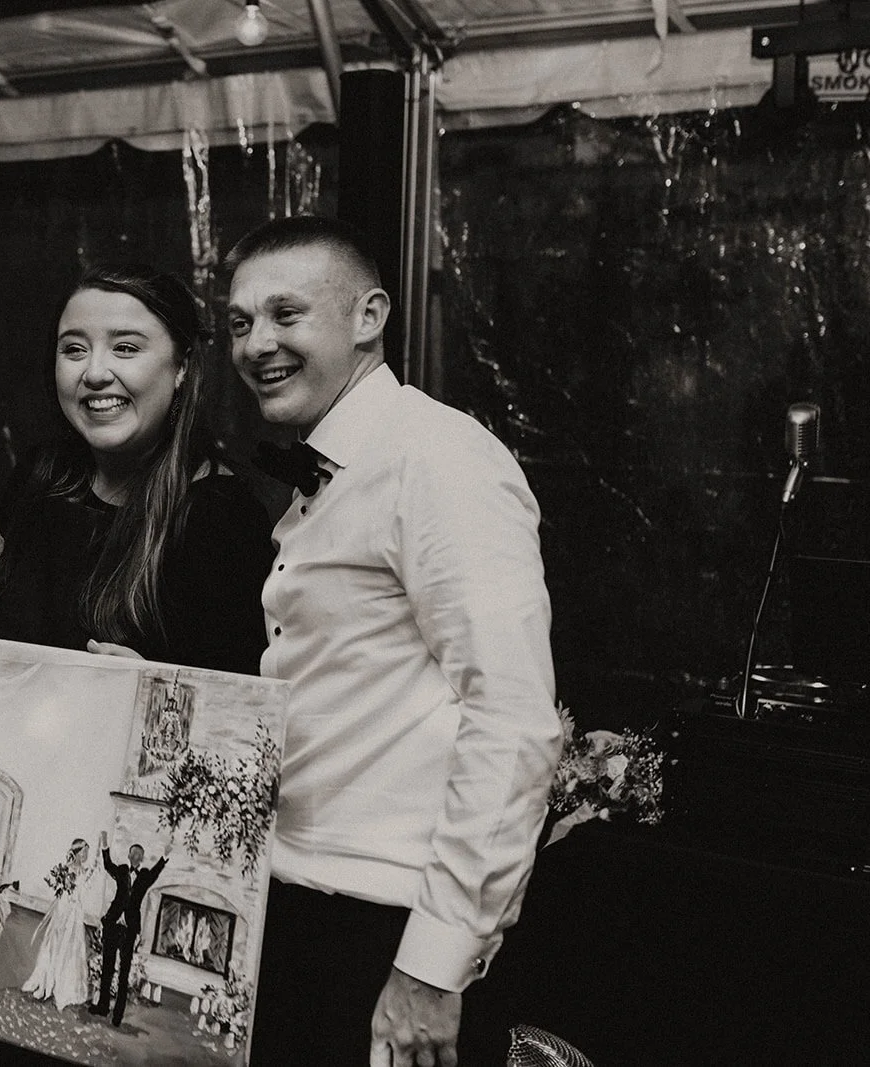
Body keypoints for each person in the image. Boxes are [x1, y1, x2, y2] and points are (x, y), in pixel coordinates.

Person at [224, 216, 561, 1067]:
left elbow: (513, 720)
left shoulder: (437, 458)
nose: (257, 343)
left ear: (369, 316)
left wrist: (433, 965)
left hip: (386, 932)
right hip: (302, 917)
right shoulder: (332, 473)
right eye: (239, 322)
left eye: (286, 314)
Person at [0, 262, 274, 674]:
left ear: (181, 366)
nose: (94, 373)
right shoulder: (41, 478)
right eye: (74, 349)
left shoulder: (223, 517)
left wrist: (156, 685)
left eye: (126, 348)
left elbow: (241, 697)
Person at [90, 831, 167, 1028]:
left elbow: (156, 872)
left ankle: (118, 1015)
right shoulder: (122, 870)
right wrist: (105, 845)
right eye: (133, 854)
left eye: (139, 855)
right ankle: (102, 1006)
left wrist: (164, 857)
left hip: (130, 930)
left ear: (142, 859)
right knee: (107, 968)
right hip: (113, 924)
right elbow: (108, 865)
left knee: (123, 974)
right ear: (129, 856)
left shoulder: (145, 876)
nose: (136, 857)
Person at [20, 837, 97, 1011]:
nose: (86, 855)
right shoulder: (67, 869)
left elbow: (83, 889)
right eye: (84, 852)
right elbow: (63, 893)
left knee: (73, 947)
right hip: (65, 911)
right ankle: (47, 983)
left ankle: (67, 986)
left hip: (76, 913)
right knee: (57, 944)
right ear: (77, 853)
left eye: (87, 852)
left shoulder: (84, 871)